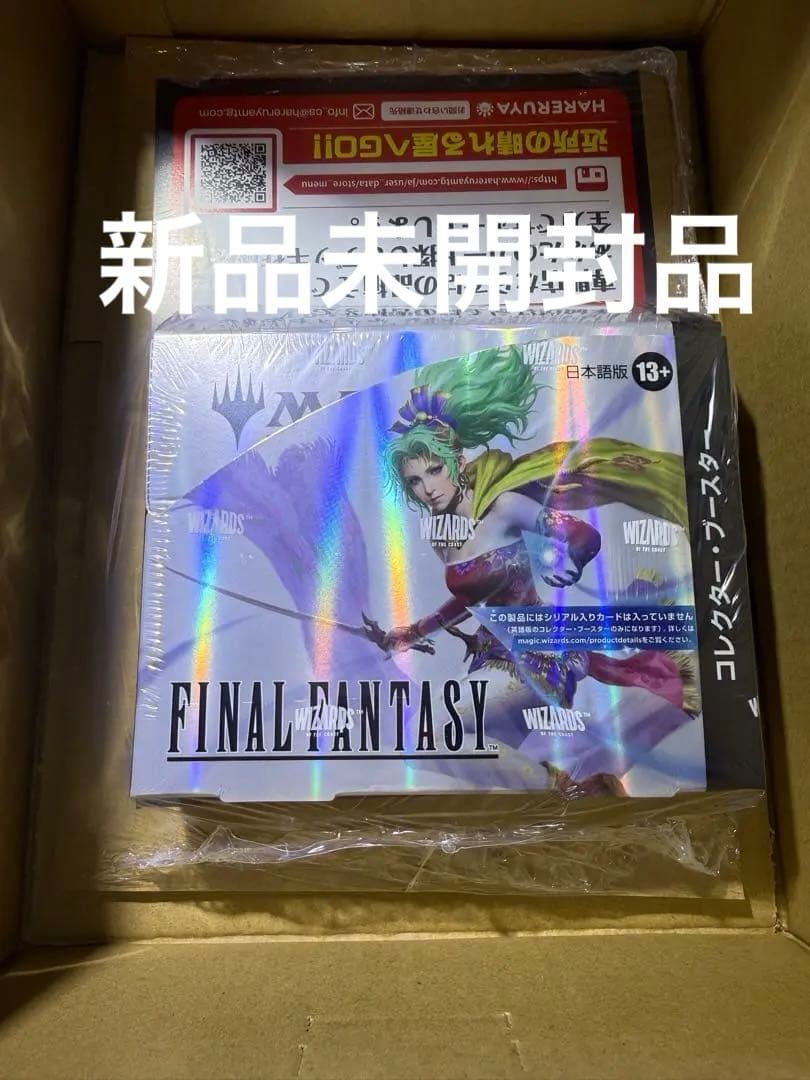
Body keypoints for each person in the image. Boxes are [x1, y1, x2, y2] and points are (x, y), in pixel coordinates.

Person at [378, 344, 698, 789]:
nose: (427, 488)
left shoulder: (504, 508)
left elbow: (583, 536)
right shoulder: (443, 534)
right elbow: (471, 598)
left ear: (458, 463)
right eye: (415, 480)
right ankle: (576, 793)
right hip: (497, 658)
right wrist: (412, 632)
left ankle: (561, 792)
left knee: (427, 737)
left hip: (539, 659)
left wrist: (572, 562)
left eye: (434, 471)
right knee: (473, 760)